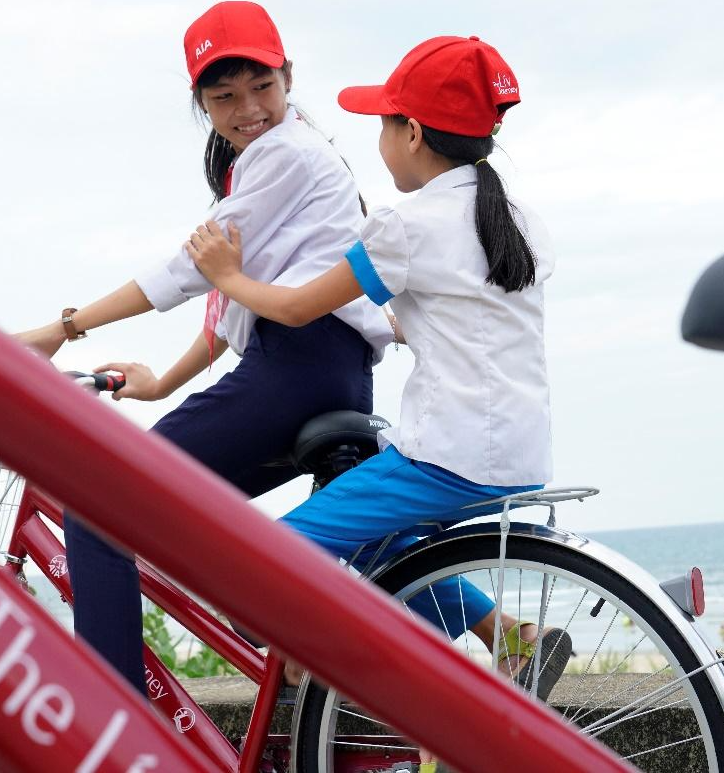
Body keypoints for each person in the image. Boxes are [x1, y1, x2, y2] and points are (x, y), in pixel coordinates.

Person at [14, 1, 393, 693]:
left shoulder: (282, 152)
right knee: (219, 534)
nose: (248, 108)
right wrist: (160, 384)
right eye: (224, 96)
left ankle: (117, 725)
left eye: (263, 88)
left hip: (292, 370)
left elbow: (190, 273)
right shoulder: (300, 153)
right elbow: (226, 306)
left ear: (288, 77)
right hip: (327, 373)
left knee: (101, 503)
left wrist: (62, 328)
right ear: (201, 103)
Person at [185, 35, 572, 701]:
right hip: (521, 451)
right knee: (374, 544)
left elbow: (302, 307)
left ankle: (330, 672)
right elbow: (465, 312)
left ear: (412, 132)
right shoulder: (518, 220)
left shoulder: (403, 225)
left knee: (272, 556)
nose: (380, 139)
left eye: (384, 124)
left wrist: (225, 274)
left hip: (445, 455)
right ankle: (507, 635)